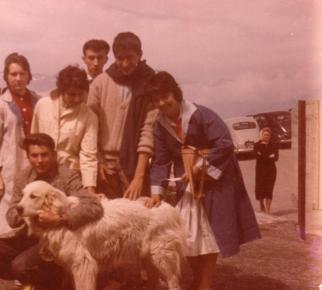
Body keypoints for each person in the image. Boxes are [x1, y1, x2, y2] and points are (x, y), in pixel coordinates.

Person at [145, 71, 261, 290]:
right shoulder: (159, 124)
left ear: (175, 93)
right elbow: (160, 160)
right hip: (187, 183)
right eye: (155, 99)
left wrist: (198, 167)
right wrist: (156, 192)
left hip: (215, 177)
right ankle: (199, 280)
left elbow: (225, 144)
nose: (161, 102)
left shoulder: (202, 115)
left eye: (165, 96)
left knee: (208, 232)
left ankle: (204, 285)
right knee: (185, 235)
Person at [0, 133, 103, 290]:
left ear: (54, 154)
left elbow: (94, 206)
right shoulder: (23, 177)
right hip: (27, 235)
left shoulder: (67, 176)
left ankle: (54, 280)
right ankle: (36, 279)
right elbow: (12, 217)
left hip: (55, 240)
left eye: (44, 155)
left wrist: (60, 219)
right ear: (28, 157)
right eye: (34, 156)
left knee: (21, 265)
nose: (39, 160)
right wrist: (23, 210)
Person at [87, 31, 156, 199]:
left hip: (135, 167)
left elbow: (149, 131)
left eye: (130, 58)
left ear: (140, 55)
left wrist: (139, 178)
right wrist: (97, 161)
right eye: (119, 58)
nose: (125, 64)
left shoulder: (150, 83)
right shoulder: (100, 83)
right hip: (105, 169)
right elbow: (90, 127)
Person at [0, 52, 41, 238]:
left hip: (34, 167)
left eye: (22, 73)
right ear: (6, 77)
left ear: (29, 76)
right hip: (9, 171)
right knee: (7, 219)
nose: (18, 78)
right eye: (13, 74)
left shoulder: (37, 101)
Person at [31, 65, 98, 194]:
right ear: (61, 90)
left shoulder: (89, 116)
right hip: (42, 175)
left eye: (81, 94)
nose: (77, 99)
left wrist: (90, 187)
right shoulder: (43, 105)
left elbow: (88, 155)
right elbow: (33, 141)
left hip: (71, 177)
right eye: (72, 94)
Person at [254, 127, 279, 214]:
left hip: (271, 170)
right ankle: (261, 204)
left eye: (268, 135)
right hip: (260, 170)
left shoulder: (274, 144)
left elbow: (276, 158)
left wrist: (263, 155)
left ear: (270, 136)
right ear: (261, 135)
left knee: (269, 189)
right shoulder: (257, 145)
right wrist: (269, 156)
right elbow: (257, 157)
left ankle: (268, 210)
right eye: (265, 135)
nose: (266, 136)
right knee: (260, 188)